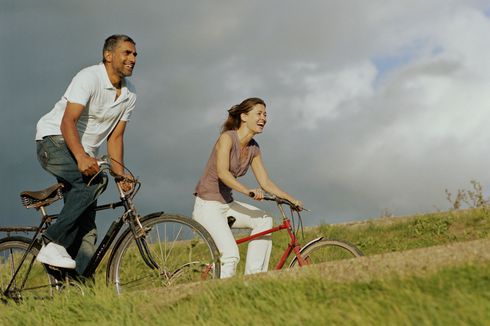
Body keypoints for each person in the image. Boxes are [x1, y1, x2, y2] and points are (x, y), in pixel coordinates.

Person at [34, 34, 138, 274]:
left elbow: (115, 137)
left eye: (135, 54)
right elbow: (67, 122)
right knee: (97, 180)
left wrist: (120, 177)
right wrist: (81, 157)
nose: (132, 58)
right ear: (108, 55)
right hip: (53, 141)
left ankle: (77, 289)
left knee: (87, 227)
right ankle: (52, 241)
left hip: (84, 154)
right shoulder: (89, 77)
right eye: (127, 53)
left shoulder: (130, 94)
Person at [192, 97, 303, 278]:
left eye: (265, 115)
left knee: (264, 220)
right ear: (244, 116)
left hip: (226, 205)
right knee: (230, 255)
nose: (263, 118)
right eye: (259, 114)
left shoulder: (254, 148)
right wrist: (247, 191)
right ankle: (222, 297)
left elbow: (265, 182)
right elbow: (222, 172)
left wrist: (291, 199)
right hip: (208, 206)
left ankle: (253, 278)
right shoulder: (227, 138)